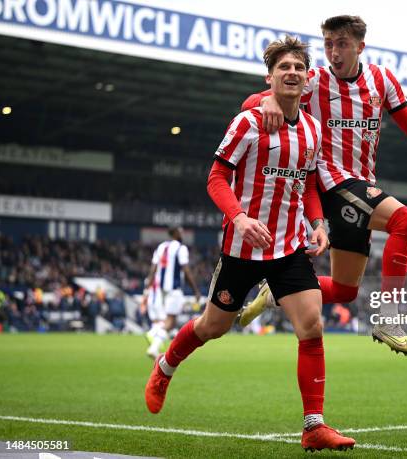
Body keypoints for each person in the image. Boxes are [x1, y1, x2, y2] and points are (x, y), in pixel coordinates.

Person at [144, 36, 356, 452]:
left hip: (290, 246)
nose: (292, 73)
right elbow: (215, 177)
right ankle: (165, 367)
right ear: (270, 77)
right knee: (213, 327)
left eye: (298, 67)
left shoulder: (312, 129)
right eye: (283, 68)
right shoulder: (249, 121)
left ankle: (314, 426)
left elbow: (307, 184)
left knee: (312, 325)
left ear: (308, 77)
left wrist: (318, 223)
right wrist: (239, 218)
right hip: (242, 249)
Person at [239, 15, 407, 356]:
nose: (334, 52)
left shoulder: (382, 80)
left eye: (342, 44)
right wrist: (268, 100)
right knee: (405, 220)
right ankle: (389, 319)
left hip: (360, 186)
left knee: (346, 290)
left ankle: (275, 290)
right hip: (329, 181)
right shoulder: (313, 80)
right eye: (328, 44)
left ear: (360, 47)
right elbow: (249, 102)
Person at [144, 226, 200, 359]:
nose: (182, 233)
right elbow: (185, 270)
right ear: (175, 233)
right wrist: (195, 290)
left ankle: (154, 333)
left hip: (161, 289)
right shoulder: (181, 248)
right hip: (174, 289)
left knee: (167, 319)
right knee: (171, 321)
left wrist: (148, 286)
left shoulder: (161, 247)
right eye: (180, 231)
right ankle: (154, 344)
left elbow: (153, 268)